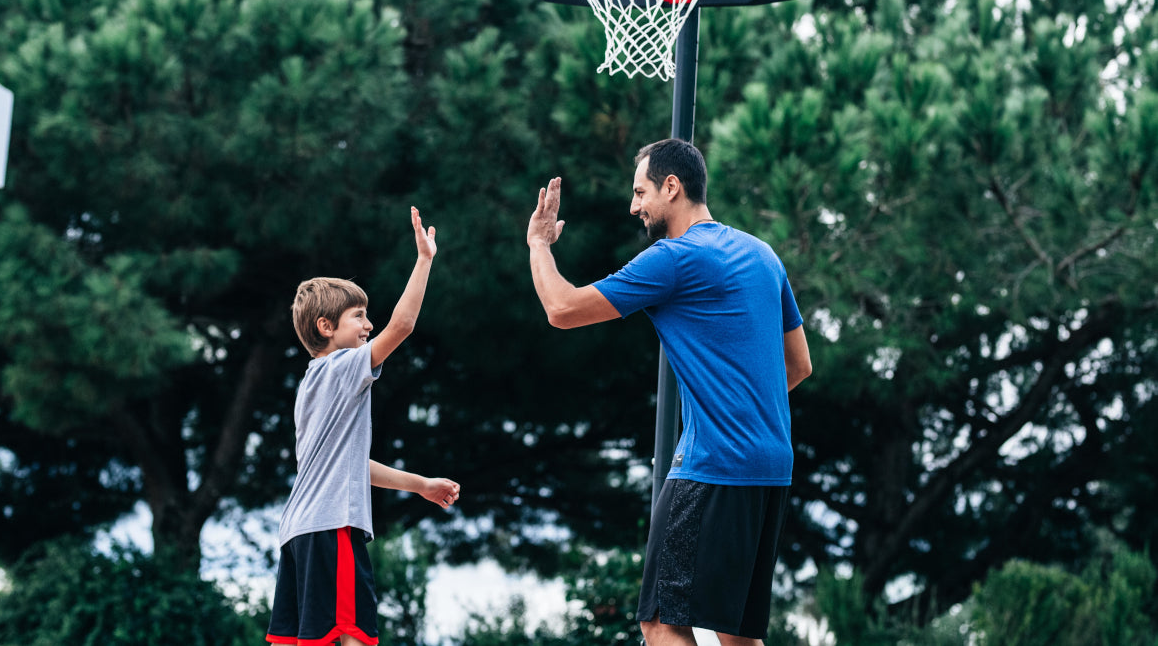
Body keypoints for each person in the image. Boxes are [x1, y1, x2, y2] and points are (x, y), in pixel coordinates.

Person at [526, 139, 812, 646]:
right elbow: (799, 365)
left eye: (640, 192)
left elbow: (562, 309)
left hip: (714, 465)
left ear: (672, 187)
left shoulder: (674, 257)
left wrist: (539, 245)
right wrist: (739, 405)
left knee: (661, 622)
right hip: (772, 467)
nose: (634, 205)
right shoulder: (762, 254)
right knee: (738, 634)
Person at [267, 206, 461, 646]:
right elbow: (403, 325)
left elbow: (355, 465)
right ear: (325, 327)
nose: (368, 325)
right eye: (358, 316)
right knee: (353, 636)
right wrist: (424, 260)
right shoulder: (339, 369)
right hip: (332, 525)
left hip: (298, 532)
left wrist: (420, 485)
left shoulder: (311, 388)